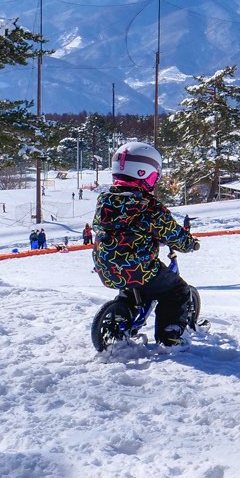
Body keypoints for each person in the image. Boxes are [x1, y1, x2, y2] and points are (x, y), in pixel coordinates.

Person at [93, 141, 200, 346]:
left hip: (107, 268)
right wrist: (189, 244)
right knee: (176, 291)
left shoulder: (104, 201)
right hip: (139, 269)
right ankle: (169, 333)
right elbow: (172, 233)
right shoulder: (149, 208)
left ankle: (125, 311)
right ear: (145, 174)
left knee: (133, 287)